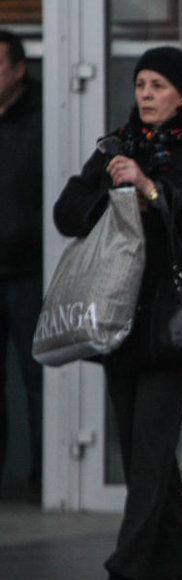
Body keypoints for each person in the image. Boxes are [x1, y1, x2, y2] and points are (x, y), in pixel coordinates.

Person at [53, 47, 182, 580]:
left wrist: (152, 189)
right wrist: (112, 191)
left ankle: (128, 565)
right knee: (140, 449)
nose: (147, 95)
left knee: (152, 449)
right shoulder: (117, 148)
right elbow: (66, 213)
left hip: (173, 318)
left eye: (158, 85)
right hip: (118, 316)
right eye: (141, 85)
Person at [0, 29, 43, 501]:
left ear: (18, 69)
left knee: (38, 380)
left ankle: (45, 477)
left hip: (31, 268)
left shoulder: (45, 118)